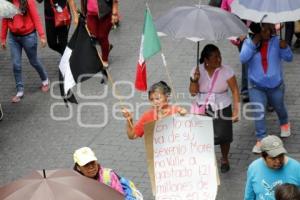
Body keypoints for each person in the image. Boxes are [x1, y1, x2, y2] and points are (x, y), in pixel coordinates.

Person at [240, 23, 293, 153]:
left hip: (276, 85)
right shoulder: (249, 42)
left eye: (269, 30)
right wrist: (254, 43)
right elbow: (243, 58)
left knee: (279, 106)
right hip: (256, 86)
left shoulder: (277, 41)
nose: (268, 33)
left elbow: (289, 58)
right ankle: (261, 138)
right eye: (264, 31)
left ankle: (284, 122)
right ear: (258, 31)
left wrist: (285, 47)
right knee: (258, 112)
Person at [189, 44, 240, 173]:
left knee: (224, 135)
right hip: (202, 107)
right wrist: (194, 80)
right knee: (203, 135)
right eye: (215, 57)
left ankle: (224, 158)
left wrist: (236, 110)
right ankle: (206, 159)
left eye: (219, 56)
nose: (219, 59)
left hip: (222, 106)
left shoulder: (227, 71)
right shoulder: (197, 70)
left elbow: (234, 90)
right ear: (206, 60)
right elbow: (193, 93)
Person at [1, 0, 49, 103]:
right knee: (16, 64)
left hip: (29, 36)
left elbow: (36, 18)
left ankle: (45, 79)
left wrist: (42, 36)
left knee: (33, 61)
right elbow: (4, 20)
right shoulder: (7, 2)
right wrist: (3, 38)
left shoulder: (28, 1)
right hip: (13, 38)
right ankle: (20, 91)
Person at [122, 81, 186, 139]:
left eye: (157, 98)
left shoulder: (177, 111)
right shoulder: (147, 116)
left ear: (167, 97)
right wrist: (129, 120)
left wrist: (185, 116)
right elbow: (132, 136)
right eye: (152, 99)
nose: (155, 102)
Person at [244, 135, 300, 200]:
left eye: (281, 155)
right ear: (263, 156)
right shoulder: (253, 168)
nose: (278, 161)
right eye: (273, 158)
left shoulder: (297, 168)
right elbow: (249, 196)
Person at [80, 0, 119, 67]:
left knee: (102, 37)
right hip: (90, 13)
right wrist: (83, 11)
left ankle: (104, 59)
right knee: (92, 35)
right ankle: (106, 47)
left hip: (106, 12)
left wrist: (114, 13)